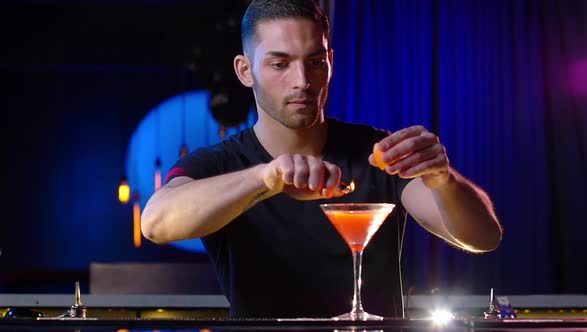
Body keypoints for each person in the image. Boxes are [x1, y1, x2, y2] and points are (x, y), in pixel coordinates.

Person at [141, 0, 503, 319]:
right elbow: (156, 223)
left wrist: (444, 181)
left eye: (315, 62)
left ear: (330, 62)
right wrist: (267, 177)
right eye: (280, 64)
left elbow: (483, 237)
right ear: (244, 70)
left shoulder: (376, 151)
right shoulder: (218, 164)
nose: (302, 81)